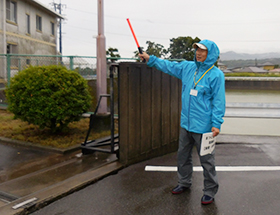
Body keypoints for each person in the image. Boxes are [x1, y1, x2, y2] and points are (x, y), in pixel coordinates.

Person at [139, 39, 226, 205]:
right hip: (186, 124)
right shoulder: (188, 67)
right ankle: (184, 182)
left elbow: (219, 101)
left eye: (203, 51)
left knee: (207, 161)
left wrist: (216, 123)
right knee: (183, 156)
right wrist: (150, 59)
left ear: (211, 54)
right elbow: (169, 66)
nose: (199, 53)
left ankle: (209, 190)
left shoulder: (216, 75)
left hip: (204, 126)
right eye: (197, 50)